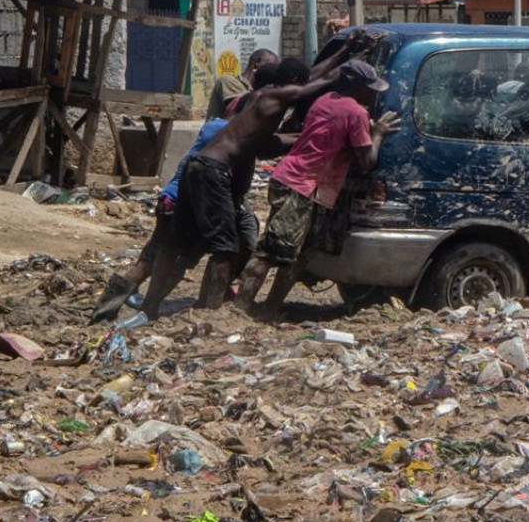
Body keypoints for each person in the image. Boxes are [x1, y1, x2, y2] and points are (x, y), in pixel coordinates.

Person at [139, 34, 365, 319]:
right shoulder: (277, 96)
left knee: (175, 244)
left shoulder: (257, 98)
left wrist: (344, 49)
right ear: (292, 82)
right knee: (226, 249)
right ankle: (211, 314)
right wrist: (346, 63)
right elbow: (318, 82)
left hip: (196, 167)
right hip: (213, 172)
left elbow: (306, 84)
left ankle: (150, 306)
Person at [88, 64, 280, 323]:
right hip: (185, 201)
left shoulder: (218, 127)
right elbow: (242, 181)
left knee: (158, 258)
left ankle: (116, 309)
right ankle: (140, 308)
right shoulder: (231, 134)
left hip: (174, 198)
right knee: (163, 260)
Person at [235, 59, 399, 318]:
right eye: (369, 87)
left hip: (296, 180)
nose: (373, 93)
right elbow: (366, 162)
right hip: (303, 185)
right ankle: (241, 311)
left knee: (294, 255)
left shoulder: (324, 101)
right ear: (356, 87)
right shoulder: (355, 112)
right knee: (271, 251)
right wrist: (377, 133)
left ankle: (267, 310)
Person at [206, 48, 280, 120]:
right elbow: (245, 107)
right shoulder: (228, 81)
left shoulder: (257, 89)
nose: (274, 71)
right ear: (257, 62)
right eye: (272, 66)